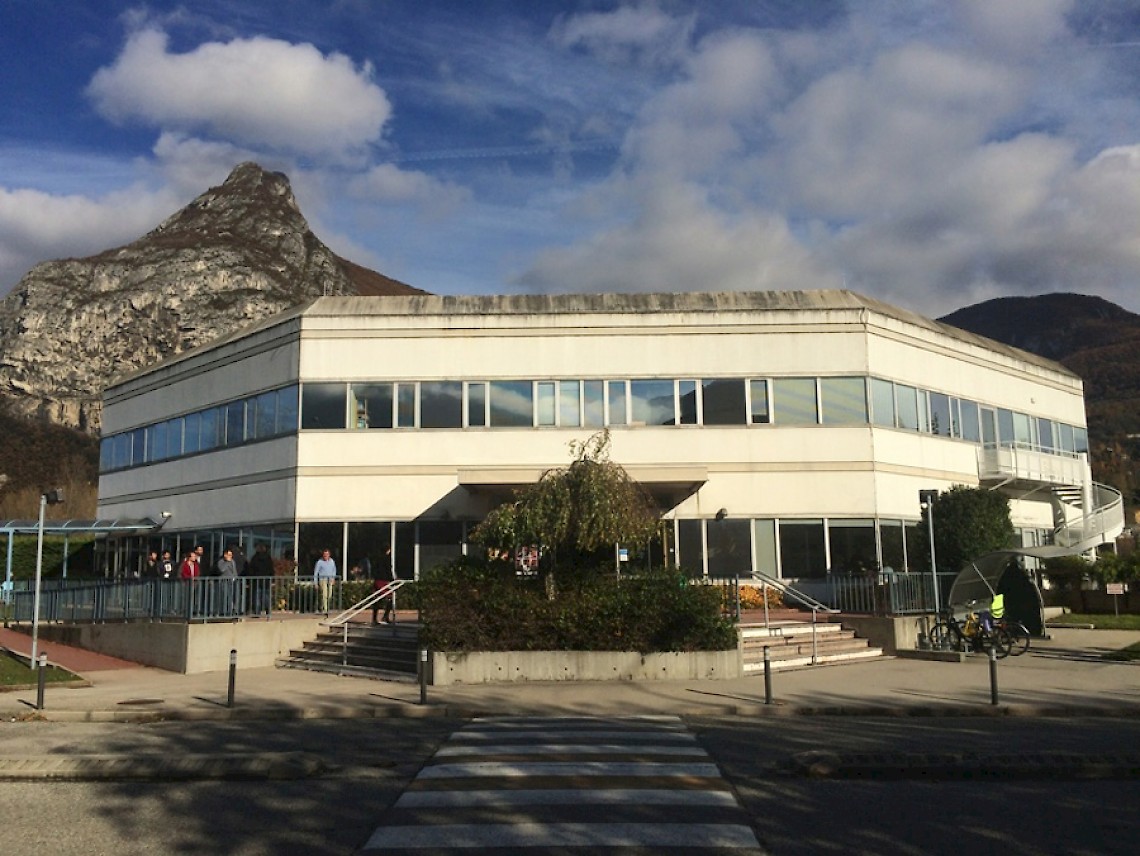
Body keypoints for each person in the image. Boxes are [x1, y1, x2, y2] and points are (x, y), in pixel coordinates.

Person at [246, 543, 275, 615]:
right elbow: (271, 569)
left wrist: (249, 580)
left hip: (257, 580)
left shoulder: (255, 558)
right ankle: (268, 610)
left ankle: (257, 611)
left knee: (257, 597)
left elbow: (251, 570)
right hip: (266, 580)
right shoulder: (268, 558)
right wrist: (272, 580)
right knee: (266, 596)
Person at [371, 546, 395, 625]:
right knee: (390, 598)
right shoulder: (387, 558)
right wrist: (392, 579)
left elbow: (374, 569)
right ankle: (385, 616)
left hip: (377, 580)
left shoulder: (376, 558)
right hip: (383, 580)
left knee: (377, 599)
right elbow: (388, 569)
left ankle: (374, 618)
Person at [313, 548, 338, 615]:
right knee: (324, 594)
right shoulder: (319, 562)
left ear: (329, 555)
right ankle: (325, 609)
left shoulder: (332, 561)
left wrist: (333, 578)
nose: (325, 556)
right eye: (324, 554)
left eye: (327, 554)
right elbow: (316, 572)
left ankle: (324, 607)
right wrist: (315, 583)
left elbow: (334, 570)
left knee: (329, 594)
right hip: (322, 579)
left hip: (330, 579)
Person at [216, 548, 238, 615]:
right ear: (225, 555)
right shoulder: (221, 561)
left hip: (232, 581)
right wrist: (227, 562)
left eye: (231, 555)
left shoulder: (233, 561)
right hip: (224, 581)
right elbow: (222, 569)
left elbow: (234, 570)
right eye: (228, 555)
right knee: (225, 596)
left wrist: (235, 577)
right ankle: (225, 611)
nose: (230, 556)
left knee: (231, 596)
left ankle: (231, 610)